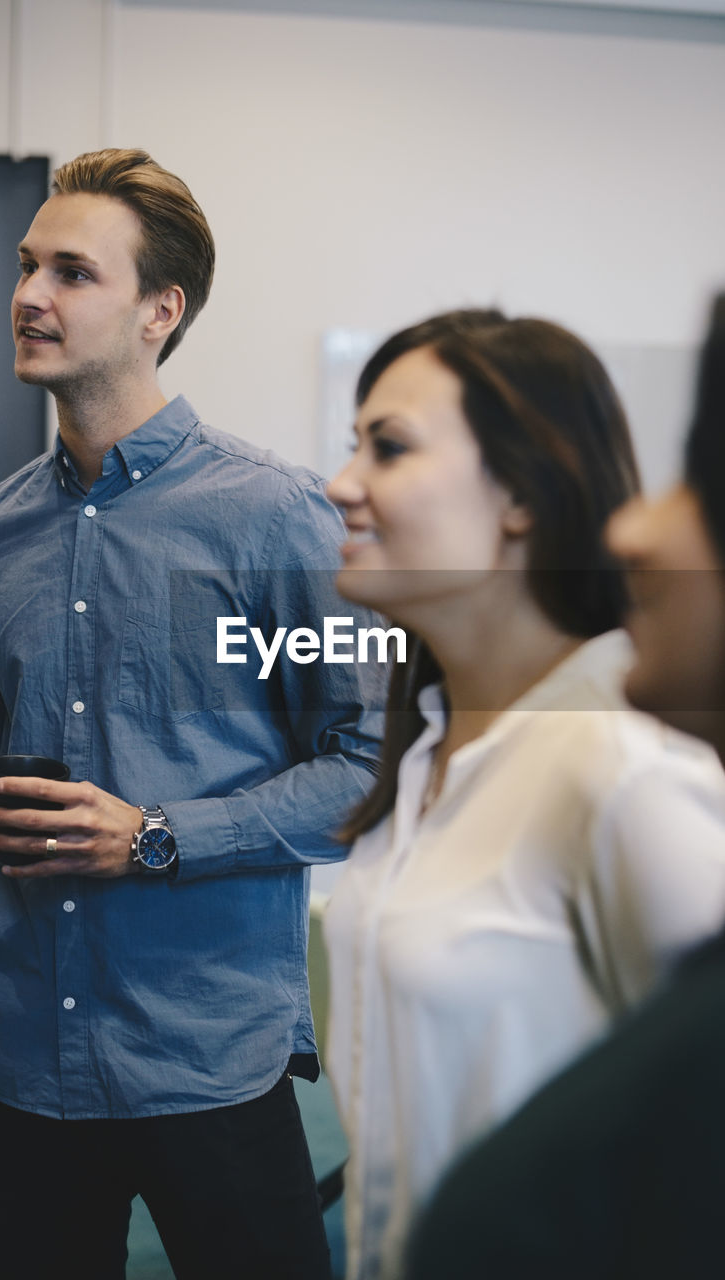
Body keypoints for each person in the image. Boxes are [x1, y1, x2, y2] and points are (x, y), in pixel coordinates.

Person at [0, 147, 383, 1280]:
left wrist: (156, 835)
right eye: (28, 265)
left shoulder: (278, 520)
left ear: (159, 311)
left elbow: (368, 761)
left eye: (72, 271)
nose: (29, 294)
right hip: (18, 1055)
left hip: (207, 1059)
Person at [322, 308, 725, 1280]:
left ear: (519, 493)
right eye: (351, 445)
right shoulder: (423, 754)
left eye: (388, 447)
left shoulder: (621, 768)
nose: (340, 485)